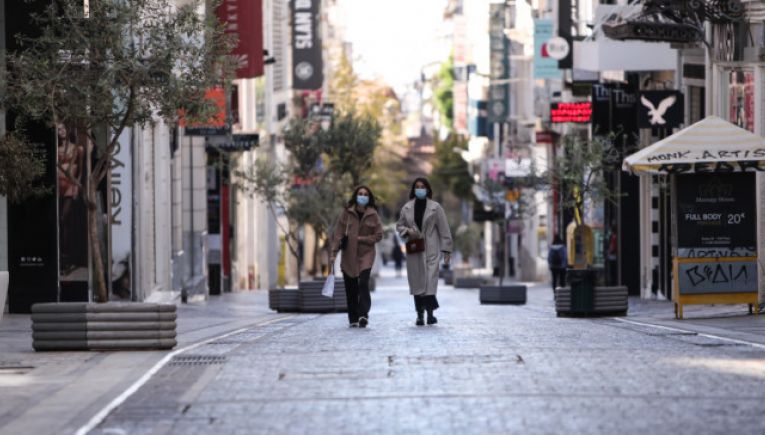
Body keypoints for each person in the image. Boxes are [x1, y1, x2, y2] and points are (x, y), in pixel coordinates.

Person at [396, 177, 453, 326]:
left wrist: (447, 250)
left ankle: (430, 314)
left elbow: (444, 229)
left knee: (429, 283)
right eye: (417, 187)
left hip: (431, 250)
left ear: (427, 189)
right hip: (415, 249)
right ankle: (420, 315)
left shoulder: (436, 207)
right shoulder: (406, 208)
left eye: (422, 187)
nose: (420, 189)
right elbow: (399, 226)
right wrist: (408, 231)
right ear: (414, 189)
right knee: (417, 284)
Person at [330, 186, 383, 328]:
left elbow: (379, 235)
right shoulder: (347, 213)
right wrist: (334, 252)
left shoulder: (373, 214)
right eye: (360, 194)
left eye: (365, 194)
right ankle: (353, 318)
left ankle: (363, 314)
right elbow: (338, 233)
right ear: (355, 196)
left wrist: (362, 239)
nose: (363, 196)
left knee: (363, 283)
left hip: (366, 254)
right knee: (351, 287)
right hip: (349, 254)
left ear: (369, 197)